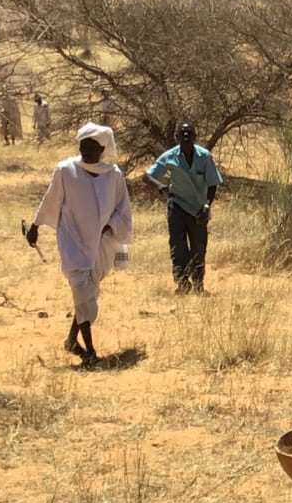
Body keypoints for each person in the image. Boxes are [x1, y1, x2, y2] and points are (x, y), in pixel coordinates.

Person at [26, 123, 132, 367]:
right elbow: (51, 199)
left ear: (102, 149)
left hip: (102, 243)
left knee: (88, 292)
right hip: (72, 238)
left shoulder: (113, 174)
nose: (86, 151)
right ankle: (90, 350)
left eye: (92, 147)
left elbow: (122, 208)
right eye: (83, 146)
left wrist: (111, 225)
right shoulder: (66, 170)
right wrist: (35, 227)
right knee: (82, 289)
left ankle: (72, 340)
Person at [143, 123, 223, 295]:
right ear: (177, 137)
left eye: (189, 133)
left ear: (195, 137)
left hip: (199, 209)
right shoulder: (170, 156)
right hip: (177, 206)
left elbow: (213, 184)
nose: (186, 136)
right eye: (182, 133)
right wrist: (160, 186)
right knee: (178, 246)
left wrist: (207, 206)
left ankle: (199, 283)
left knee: (199, 247)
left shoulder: (205, 156)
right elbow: (147, 176)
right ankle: (182, 283)